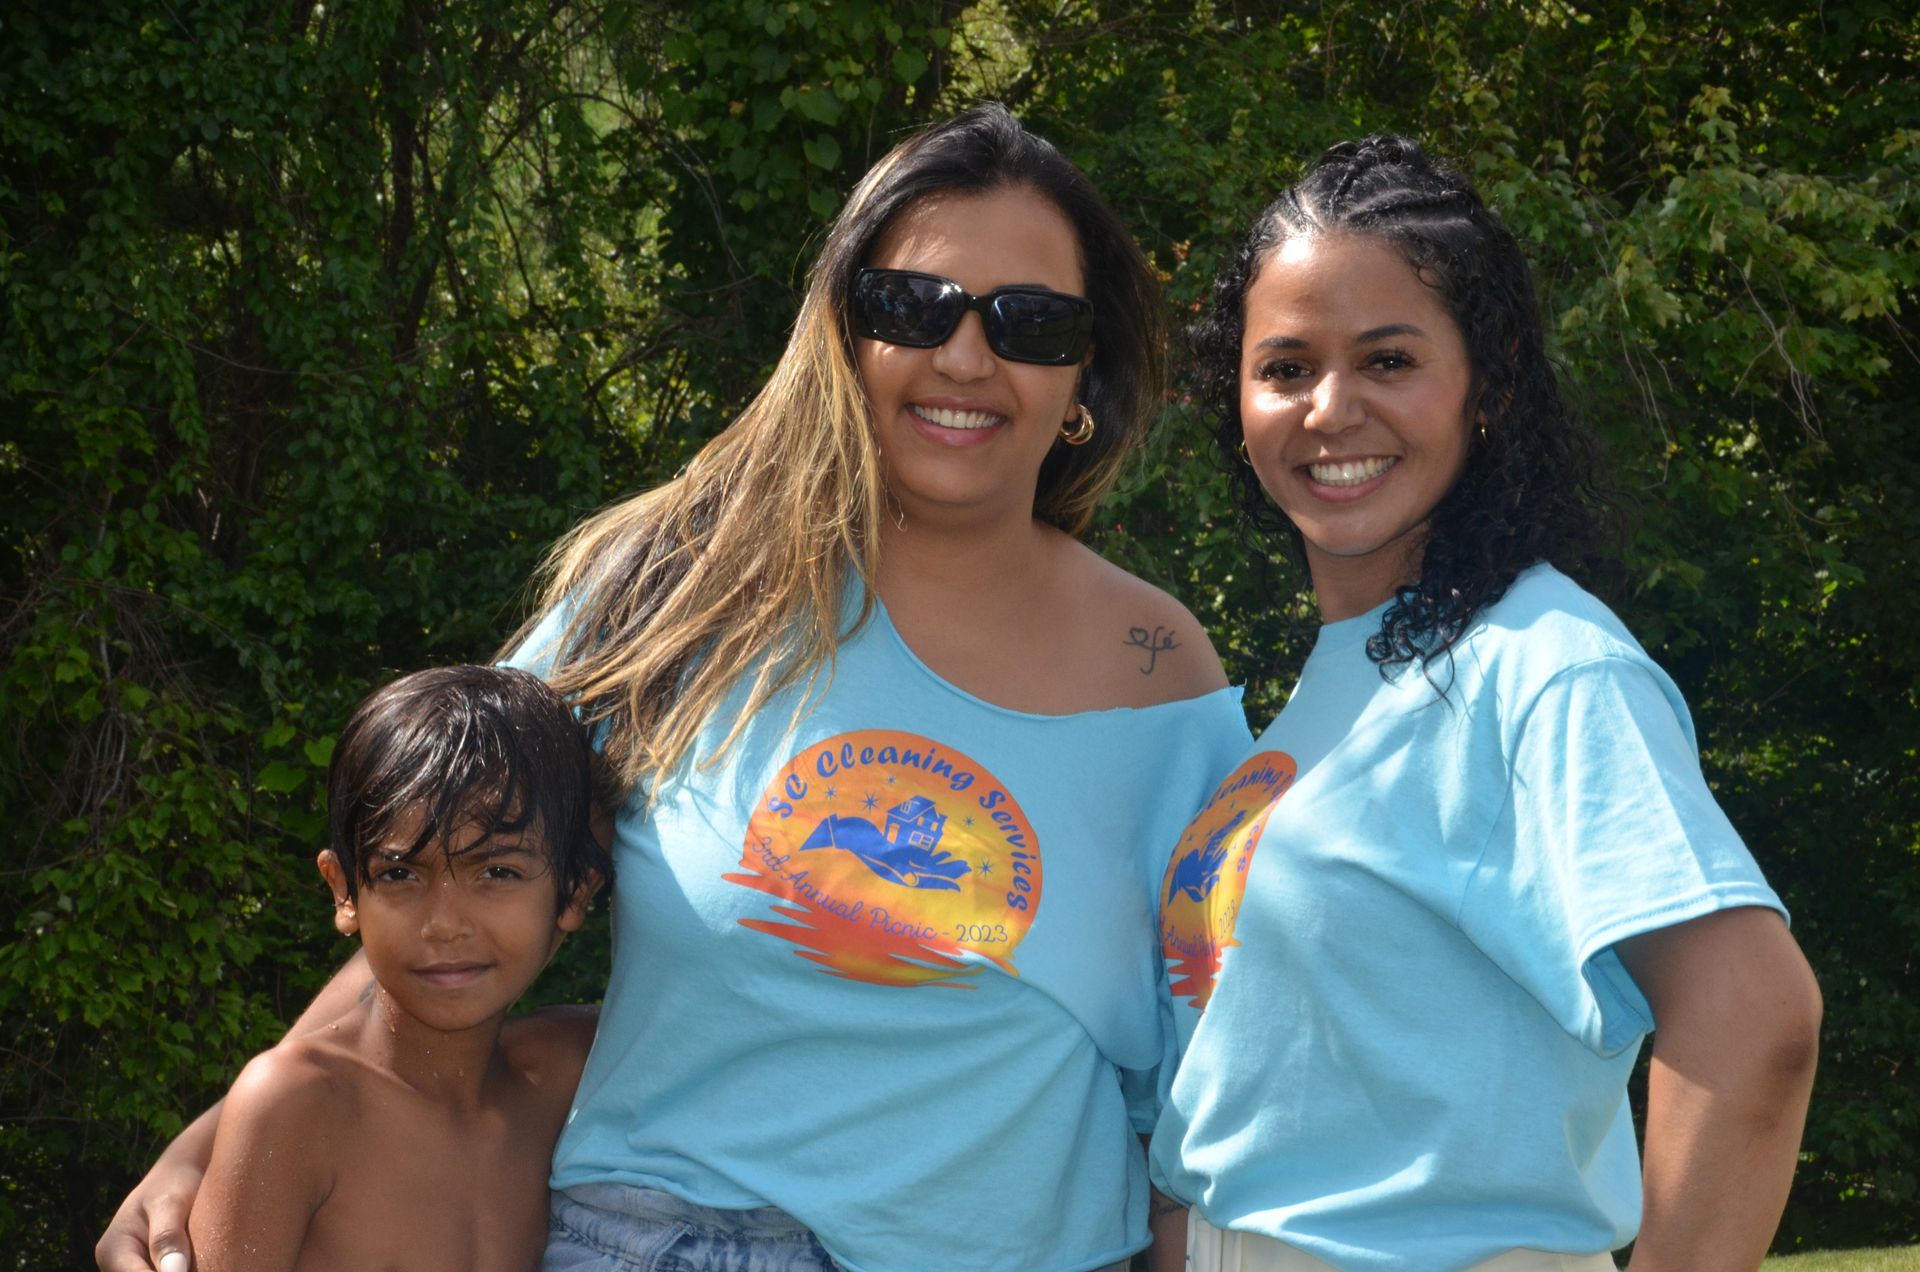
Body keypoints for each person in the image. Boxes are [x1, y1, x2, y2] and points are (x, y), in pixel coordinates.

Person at [99, 104, 1250, 1272]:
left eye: (1029, 322)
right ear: (843, 332)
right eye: (912, 306)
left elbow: (1203, 1085)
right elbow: (437, 880)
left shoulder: (1161, 683)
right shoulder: (681, 587)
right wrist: (215, 1141)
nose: (965, 357)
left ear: (1085, 370)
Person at [1146, 134, 1825, 1272]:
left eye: (1389, 360)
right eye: (1286, 367)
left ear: (1489, 382)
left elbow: (1757, 1017)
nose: (1330, 408)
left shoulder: (1544, 664)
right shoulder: (1344, 674)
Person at [185, 665, 610, 1272]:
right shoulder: (300, 1105)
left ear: (573, 892)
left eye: (498, 872)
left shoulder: (570, 1074)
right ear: (345, 892)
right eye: (400, 874)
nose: (445, 923)